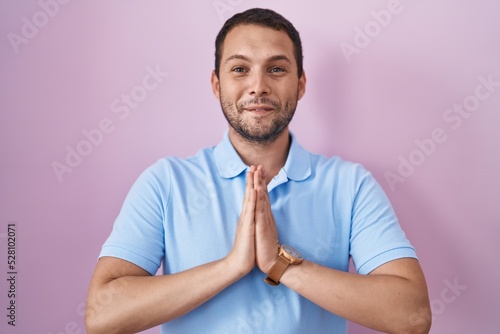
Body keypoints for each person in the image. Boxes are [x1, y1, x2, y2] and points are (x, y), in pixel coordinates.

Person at [85, 7, 431, 334]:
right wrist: (231, 266)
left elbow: (412, 316)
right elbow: (102, 316)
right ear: (217, 84)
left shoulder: (350, 185)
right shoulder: (165, 182)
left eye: (276, 69)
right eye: (240, 69)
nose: (258, 86)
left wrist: (279, 265)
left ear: (300, 84)